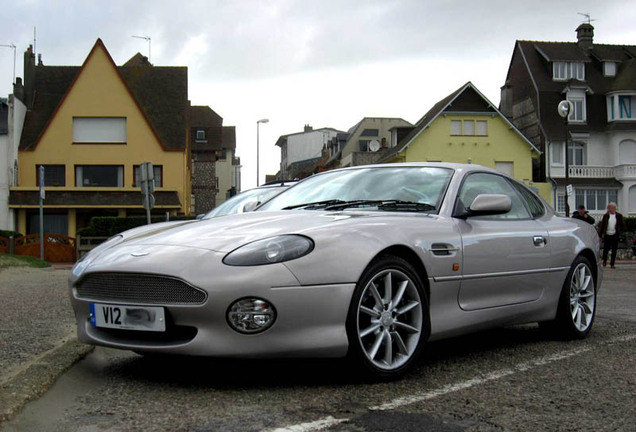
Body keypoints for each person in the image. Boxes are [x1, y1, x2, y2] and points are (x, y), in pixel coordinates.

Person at [598, 202, 625, 269]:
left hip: (615, 235)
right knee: (606, 249)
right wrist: (600, 235)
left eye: (610, 207)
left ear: (614, 208)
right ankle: (604, 261)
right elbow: (602, 226)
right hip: (607, 234)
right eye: (608, 208)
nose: (609, 209)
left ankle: (612, 264)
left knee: (614, 250)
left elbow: (622, 226)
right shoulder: (606, 216)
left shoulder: (619, 216)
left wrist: (619, 231)